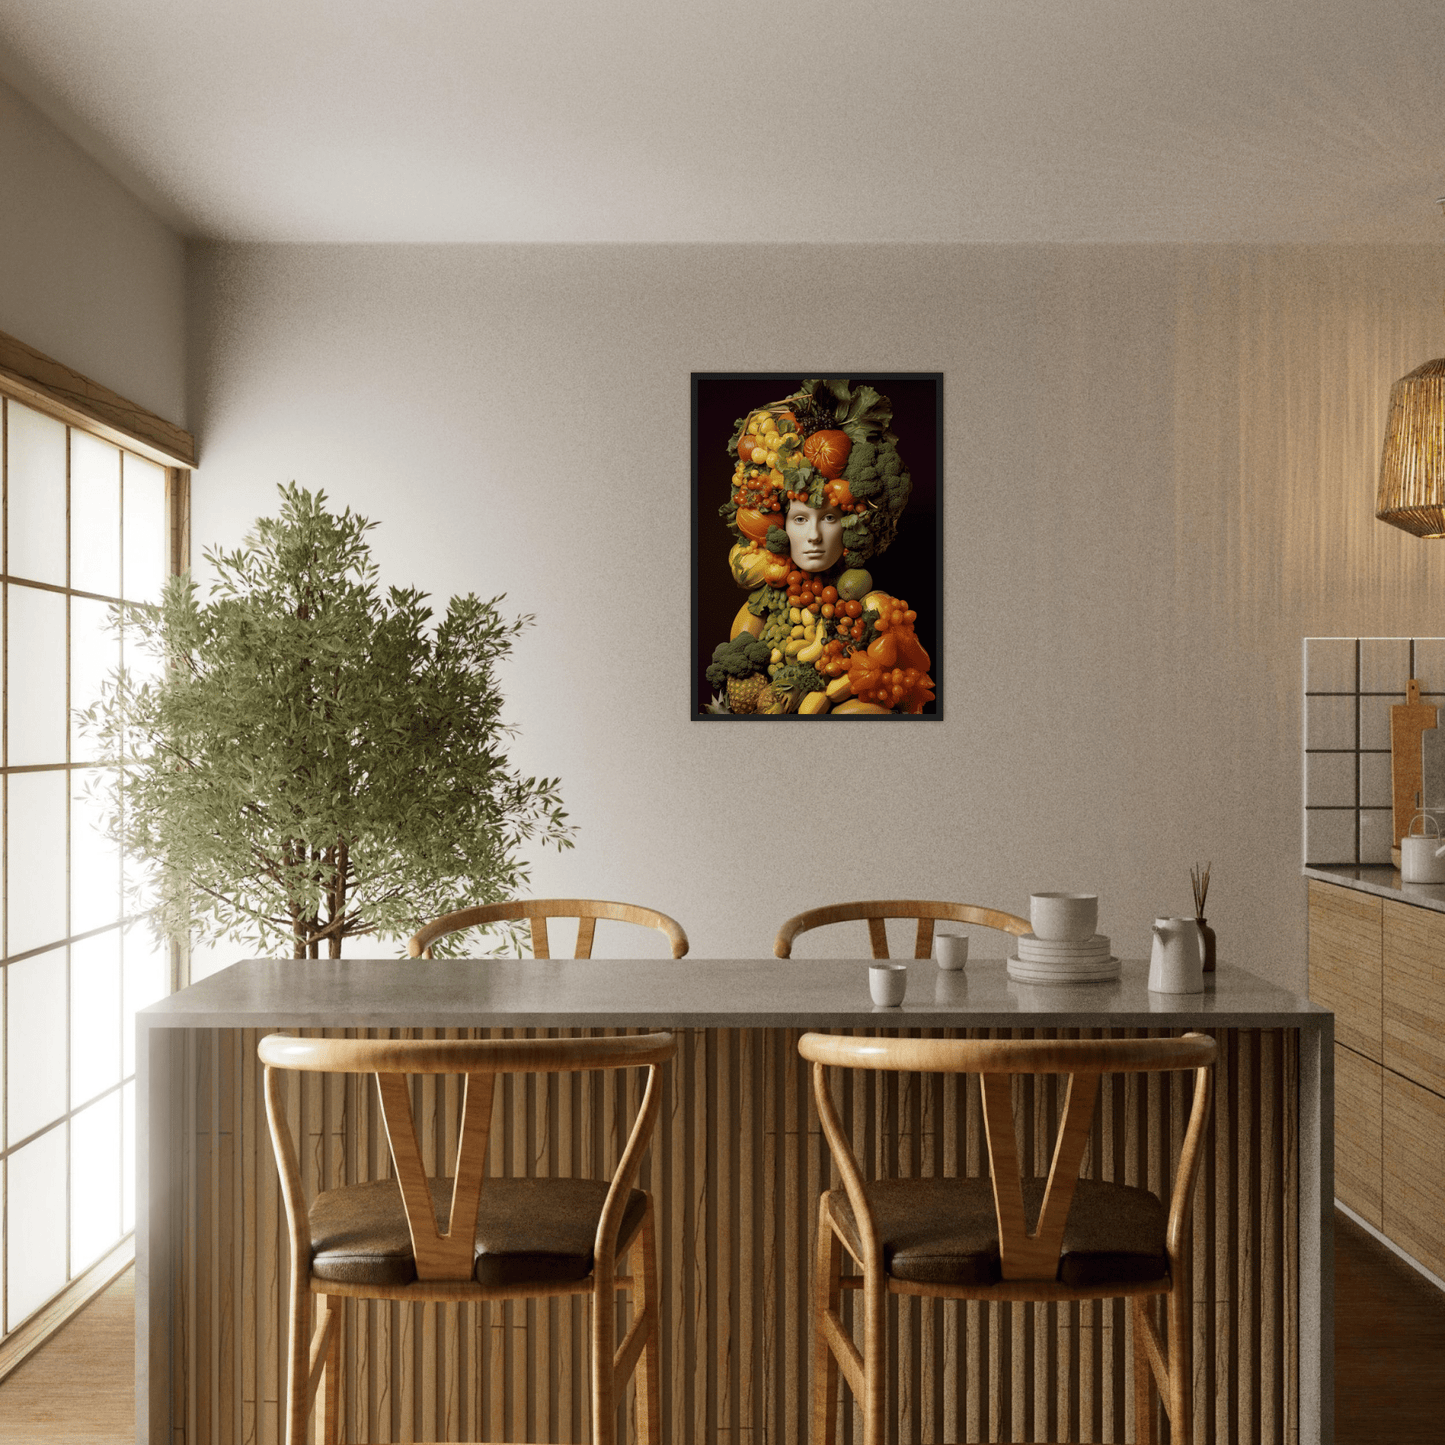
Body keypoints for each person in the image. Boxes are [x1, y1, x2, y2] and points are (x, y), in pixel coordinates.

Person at [708, 378, 935, 716]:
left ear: (849, 527)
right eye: (800, 520)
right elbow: (740, 663)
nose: (813, 535)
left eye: (828, 519)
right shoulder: (766, 598)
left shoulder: (871, 609)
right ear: (781, 527)